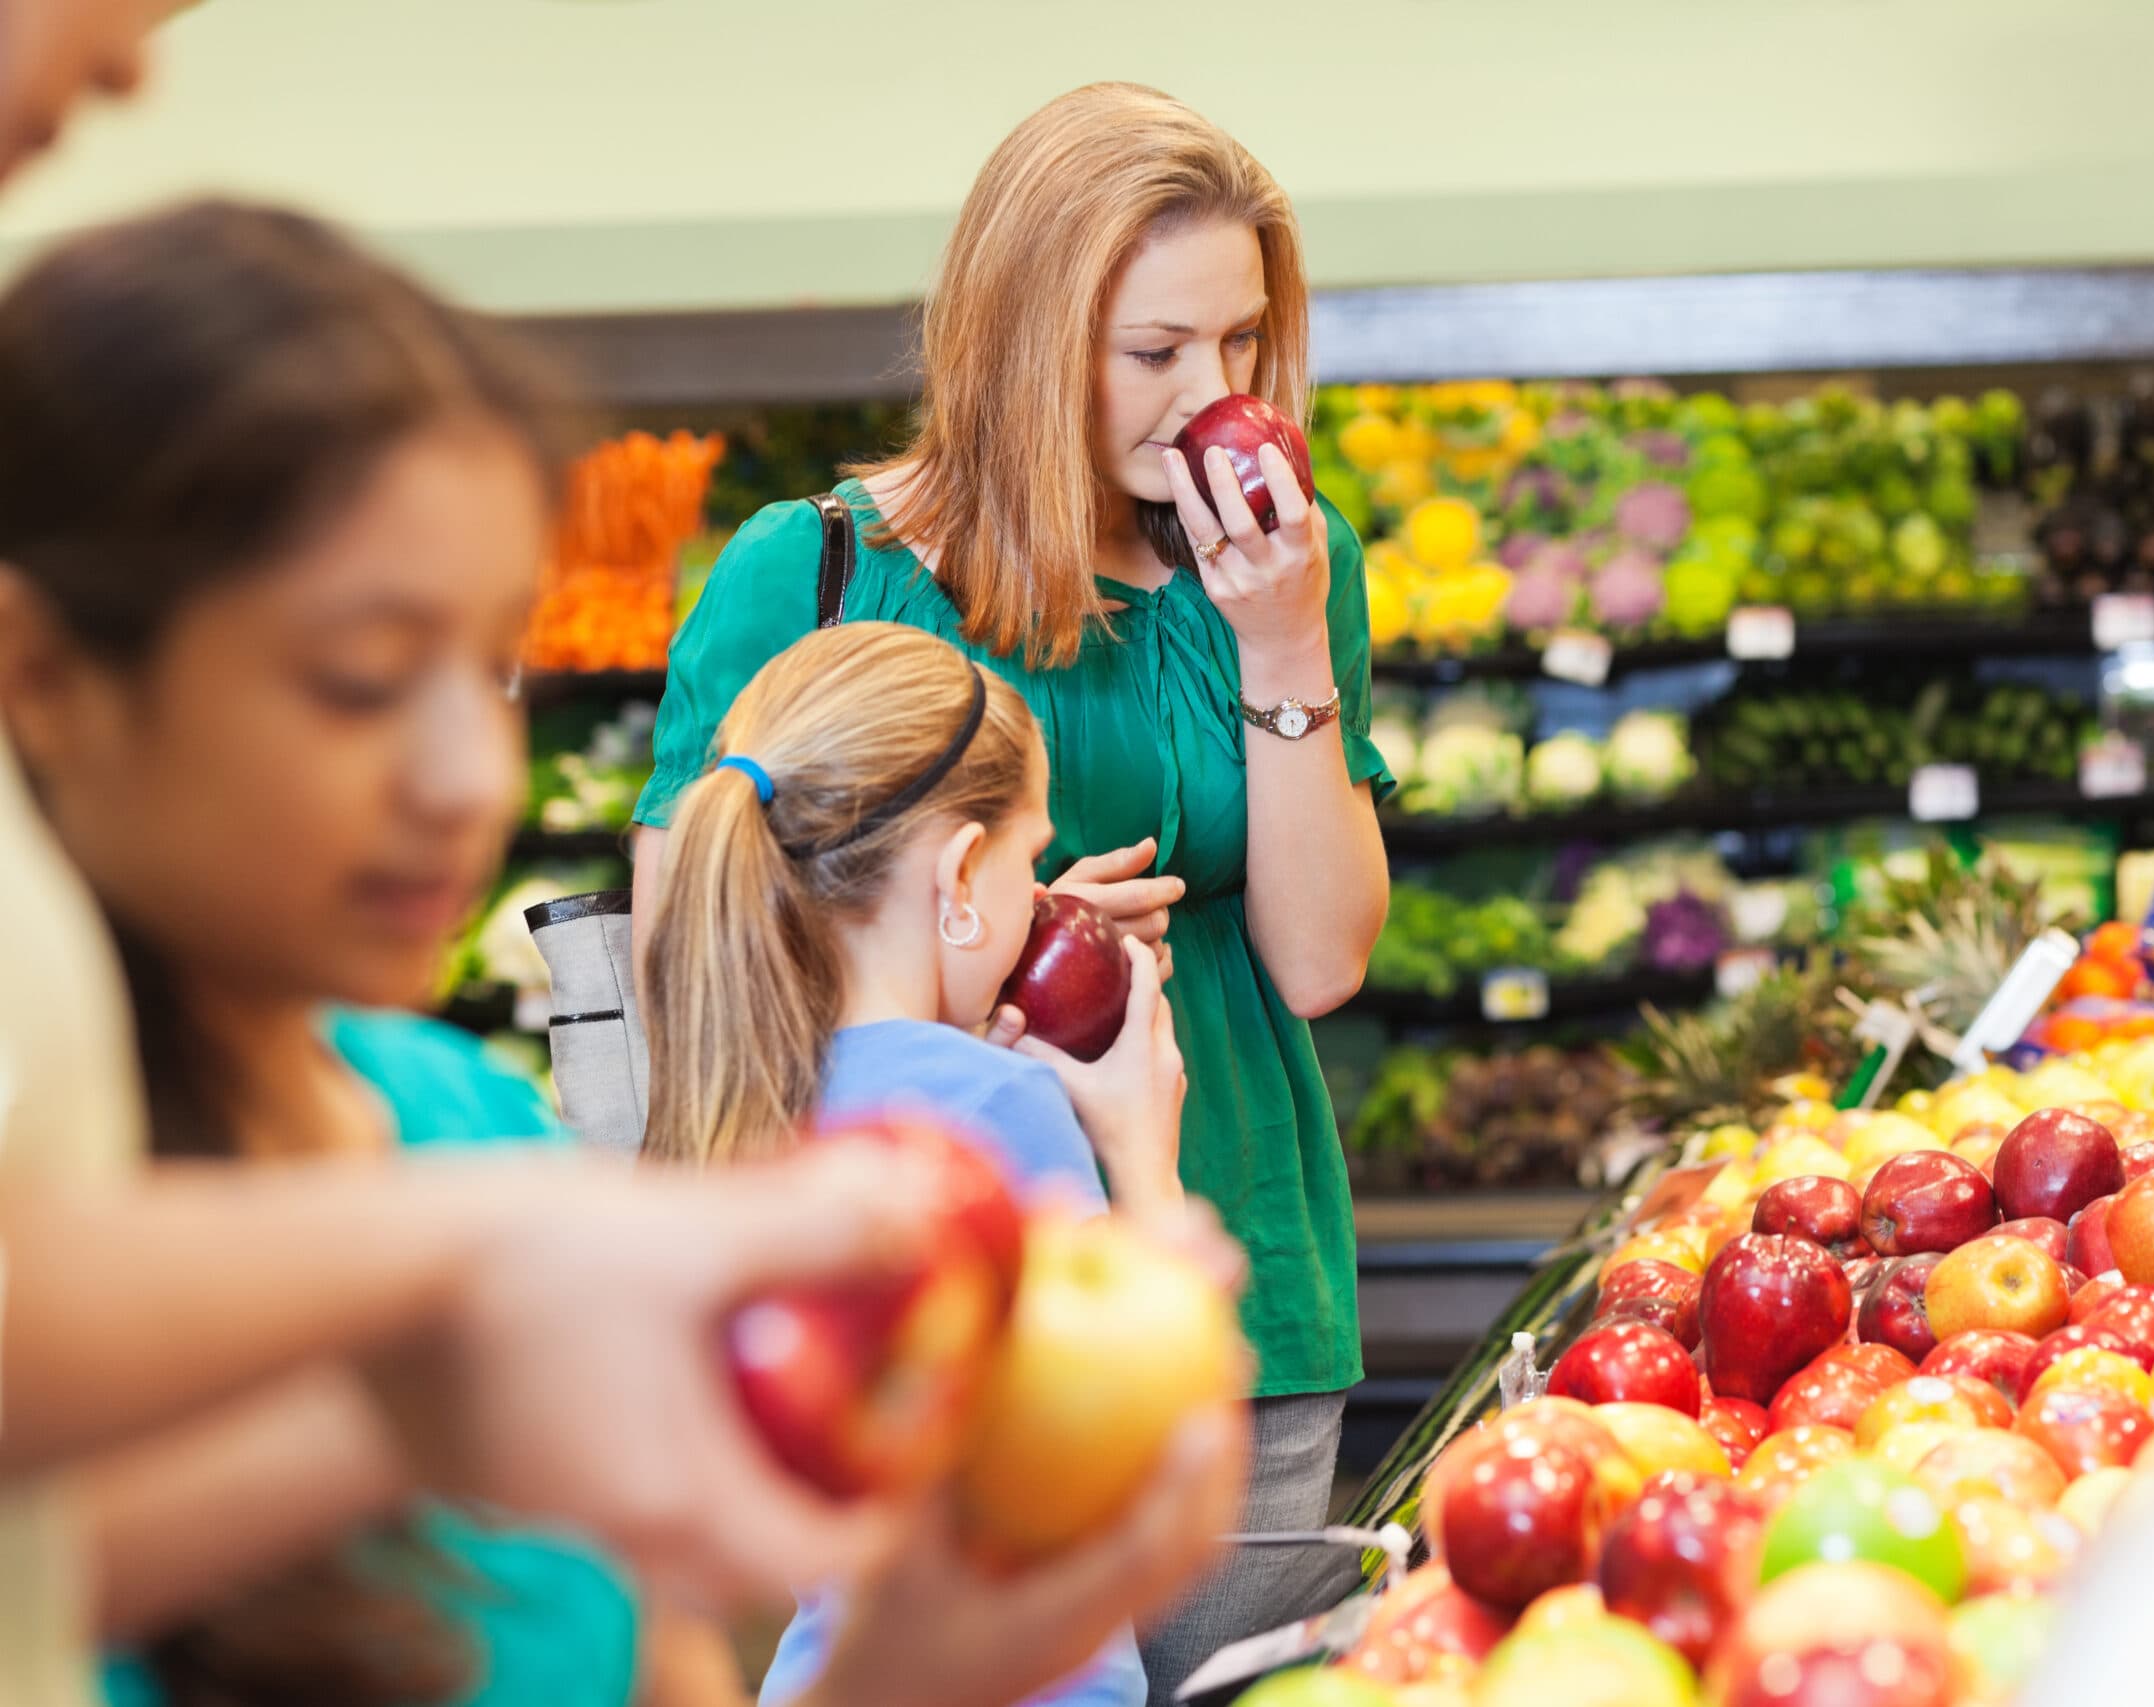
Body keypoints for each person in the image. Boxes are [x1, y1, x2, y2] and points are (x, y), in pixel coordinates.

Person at [0, 194, 1241, 1707]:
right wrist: (478, 1279)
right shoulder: (436, 1212)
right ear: (46, 679)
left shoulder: (470, 1126)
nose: (474, 778)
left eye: (491, 667)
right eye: (359, 679)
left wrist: (928, 1655)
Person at [631, 82, 1393, 1698]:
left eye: (1244, 345)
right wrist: (1003, 945)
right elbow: (684, 944)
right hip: (903, 1328)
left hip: (1232, 1274)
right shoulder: (815, 568)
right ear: (1026, 333)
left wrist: (1279, 645)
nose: (1215, 396)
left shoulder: (1280, 558)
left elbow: (1320, 960)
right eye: (1158, 352)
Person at [643, 619, 1203, 1703]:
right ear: (957, 875)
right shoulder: (1001, 1104)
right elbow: (1143, 1454)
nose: (1043, 899)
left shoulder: (756, 1091)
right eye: (1031, 858)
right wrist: (1144, 1151)